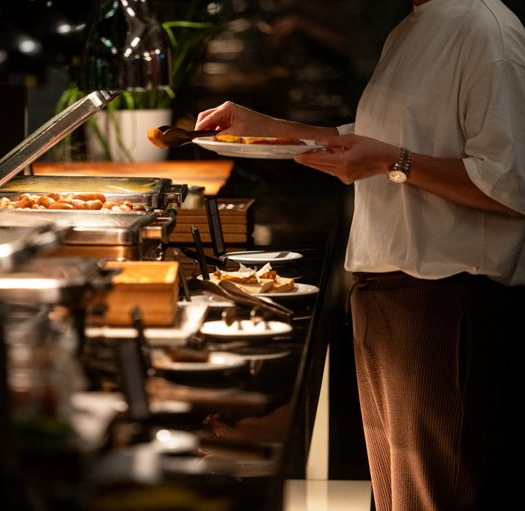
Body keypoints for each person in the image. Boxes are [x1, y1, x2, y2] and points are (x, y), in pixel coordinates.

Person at [194, 1, 525, 509]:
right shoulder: (411, 28)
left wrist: (395, 162)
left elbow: (510, 186)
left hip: (445, 304)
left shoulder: (486, 27)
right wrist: (256, 124)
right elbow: (365, 145)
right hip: (387, 299)